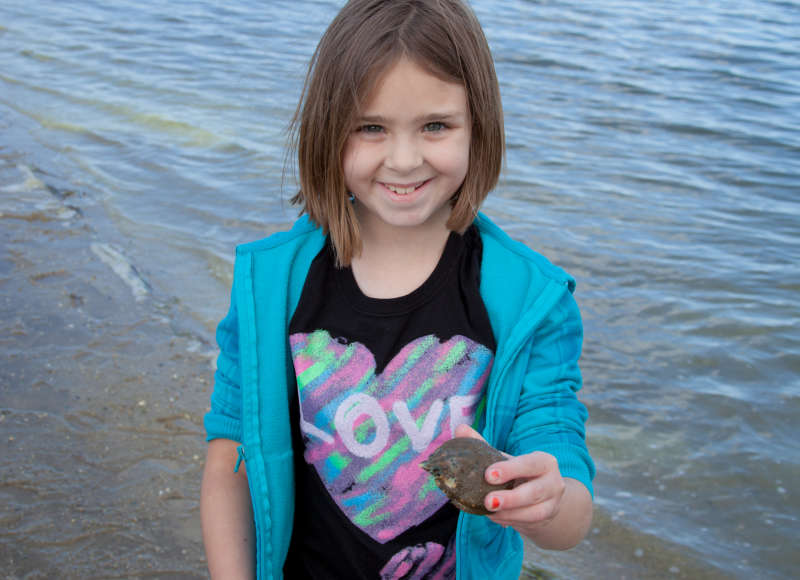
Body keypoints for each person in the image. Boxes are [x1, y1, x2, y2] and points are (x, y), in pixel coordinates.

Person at [200, 0, 595, 578]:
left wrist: (547, 501)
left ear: (477, 125)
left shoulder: (531, 302)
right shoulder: (271, 286)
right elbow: (228, 460)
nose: (404, 160)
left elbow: (570, 510)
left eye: (435, 125)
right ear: (326, 130)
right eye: (370, 127)